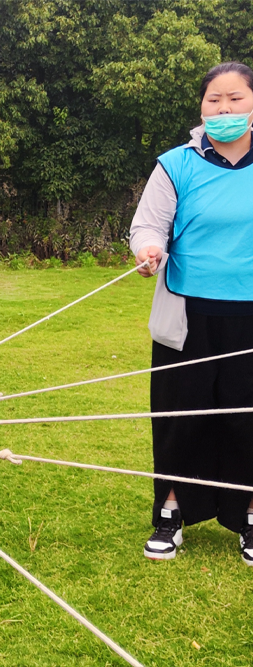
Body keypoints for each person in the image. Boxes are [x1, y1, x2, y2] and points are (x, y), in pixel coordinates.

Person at [131, 61, 253, 564]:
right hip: (186, 317)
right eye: (214, 100)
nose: (224, 109)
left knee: (246, 419)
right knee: (179, 416)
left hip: (249, 317)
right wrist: (148, 249)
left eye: (235, 98)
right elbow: (147, 225)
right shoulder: (175, 164)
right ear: (201, 107)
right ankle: (171, 511)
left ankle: (249, 516)